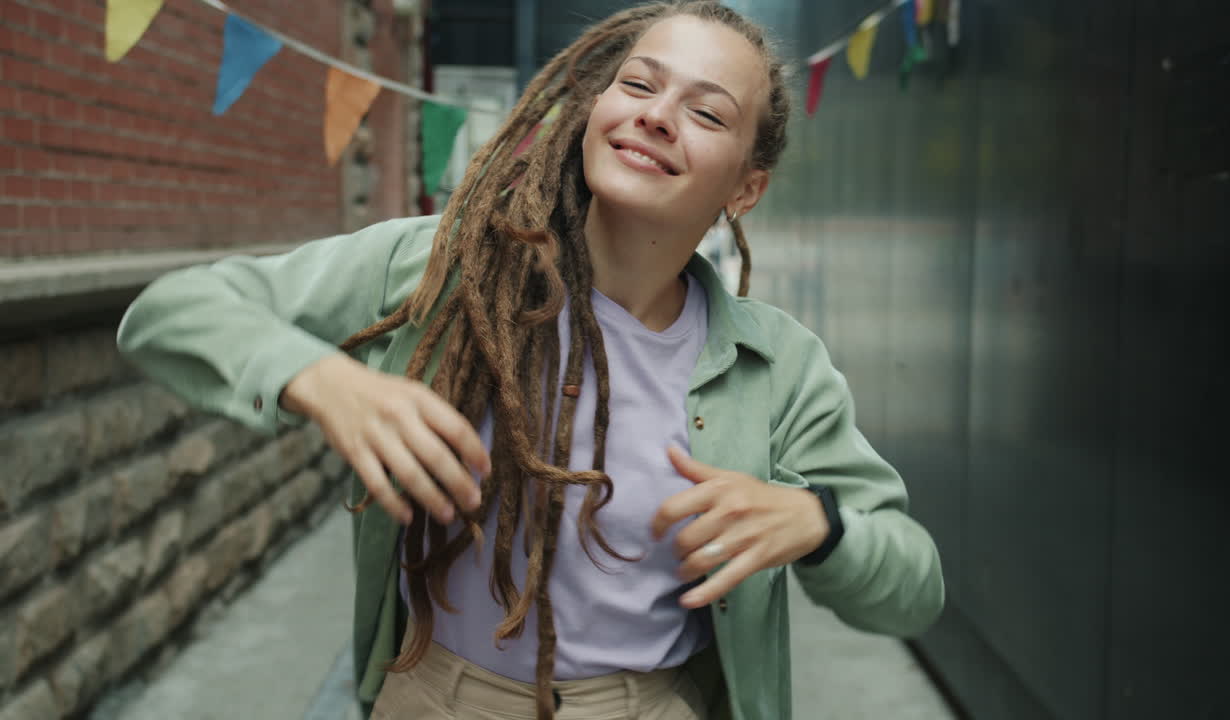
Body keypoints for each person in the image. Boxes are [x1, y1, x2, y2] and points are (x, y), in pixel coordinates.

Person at [117, 2, 944, 718]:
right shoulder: (444, 269)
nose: (656, 115)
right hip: (434, 697)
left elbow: (913, 585)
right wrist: (320, 380)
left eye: (708, 113)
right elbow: (169, 312)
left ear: (745, 189)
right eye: (640, 84)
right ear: (596, 110)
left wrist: (823, 526)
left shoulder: (780, 366)